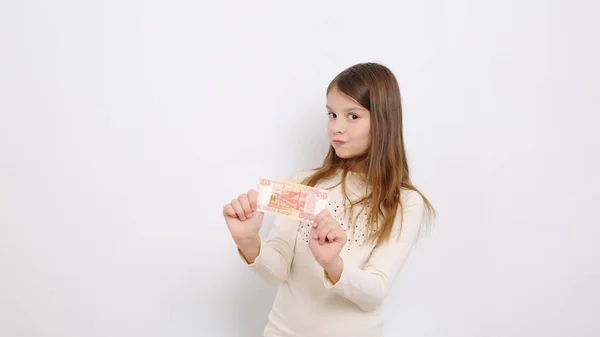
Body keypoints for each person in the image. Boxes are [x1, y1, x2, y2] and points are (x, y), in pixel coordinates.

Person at [222, 62, 435, 337]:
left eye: (352, 116)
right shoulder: (304, 183)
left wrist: (333, 264)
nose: (337, 127)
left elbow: (374, 293)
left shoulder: (404, 202)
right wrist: (248, 241)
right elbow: (276, 271)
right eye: (332, 114)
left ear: (383, 120)